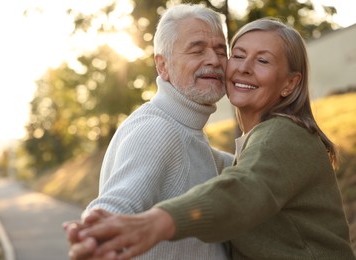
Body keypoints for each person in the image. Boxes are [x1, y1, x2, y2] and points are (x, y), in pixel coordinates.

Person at [67, 18, 356, 260]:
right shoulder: (163, 128)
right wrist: (99, 226)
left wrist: (157, 222)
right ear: (162, 65)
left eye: (263, 60)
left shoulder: (282, 135)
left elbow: (240, 191)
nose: (243, 67)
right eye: (239, 54)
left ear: (290, 83)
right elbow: (222, 169)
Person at [64, 3, 234, 260]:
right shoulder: (157, 130)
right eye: (197, 50)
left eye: (221, 50)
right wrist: (95, 235)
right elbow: (119, 201)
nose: (214, 60)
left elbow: (239, 172)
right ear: (162, 65)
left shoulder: (186, 131)